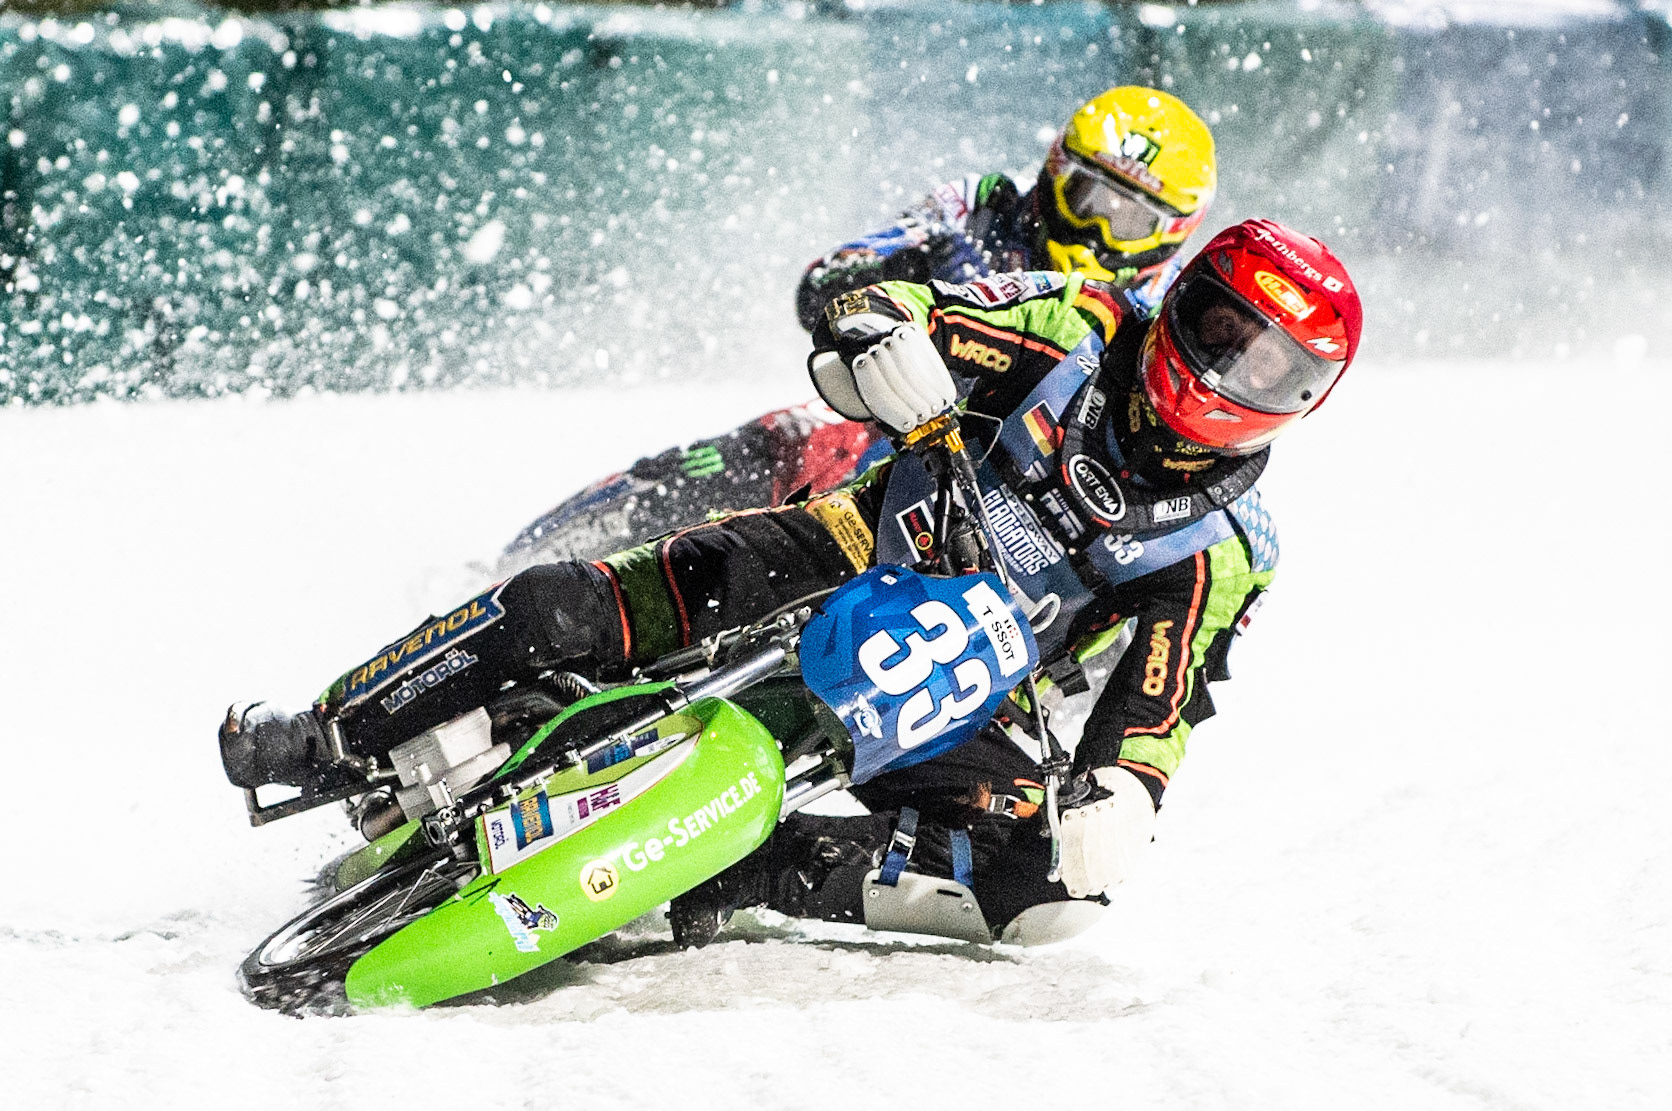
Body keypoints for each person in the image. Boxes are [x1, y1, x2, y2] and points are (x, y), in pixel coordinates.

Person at [221, 218, 1362, 946]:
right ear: (1187, 298)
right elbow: (923, 313)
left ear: (1304, 395)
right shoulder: (1082, 326)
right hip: (851, 542)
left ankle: (751, 869)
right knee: (563, 605)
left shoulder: (1226, 547)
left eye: (1269, 362)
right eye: (1219, 327)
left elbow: (1163, 695)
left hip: (967, 688)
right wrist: (884, 338)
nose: (1225, 366)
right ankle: (325, 728)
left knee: (1048, 892)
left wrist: (1128, 788)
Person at [498, 86, 1219, 571]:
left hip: (1016, 504)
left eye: (1128, 219)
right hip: (884, 416)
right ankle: (531, 567)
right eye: (1088, 196)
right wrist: (916, 270)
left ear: (1169, 235)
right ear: (1055, 172)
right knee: (786, 438)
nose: (1097, 227)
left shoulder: (1153, 326)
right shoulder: (982, 207)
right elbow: (824, 284)